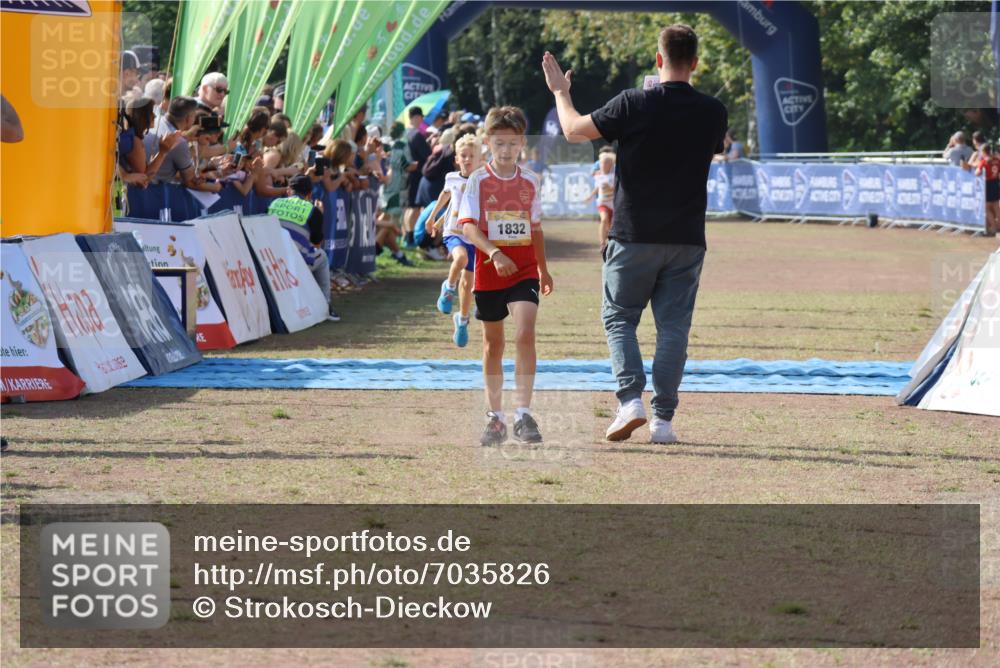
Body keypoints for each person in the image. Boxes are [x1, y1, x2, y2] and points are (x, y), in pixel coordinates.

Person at [542, 23, 727, 445]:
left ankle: (630, 401)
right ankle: (663, 421)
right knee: (673, 328)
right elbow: (712, 145)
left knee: (620, 318)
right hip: (686, 237)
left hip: (633, 234)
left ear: (658, 59)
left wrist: (559, 91)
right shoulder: (713, 111)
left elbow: (573, 130)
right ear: (695, 64)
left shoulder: (633, 103)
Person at [458, 106, 553, 446]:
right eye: (499, 143)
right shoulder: (477, 182)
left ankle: (524, 414)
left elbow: (537, 228)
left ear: (522, 144)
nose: (506, 150)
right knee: (492, 344)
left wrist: (543, 268)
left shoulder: (531, 181)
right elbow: (467, 226)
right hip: (489, 270)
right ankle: (495, 418)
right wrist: (494, 253)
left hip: (524, 270)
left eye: (512, 144)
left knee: (525, 333)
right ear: (488, 143)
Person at [429, 133, 483, 347]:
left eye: (472, 156)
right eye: (464, 155)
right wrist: (434, 217)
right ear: (457, 159)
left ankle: (461, 320)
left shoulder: (482, 179)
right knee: (459, 259)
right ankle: (448, 287)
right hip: (453, 232)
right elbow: (446, 198)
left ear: (479, 159)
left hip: (473, 235)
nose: (467, 159)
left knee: (469, 282)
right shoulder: (451, 178)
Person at [268, 174, 341, 322]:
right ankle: (325, 305)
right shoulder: (312, 210)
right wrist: (320, 214)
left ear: (288, 191)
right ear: (309, 194)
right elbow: (316, 243)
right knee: (322, 257)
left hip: (270, 262)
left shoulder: (274, 203)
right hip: (295, 266)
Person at [378, 123, 417, 267]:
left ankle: (394, 251)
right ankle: (393, 250)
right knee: (393, 219)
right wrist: (416, 165)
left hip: (383, 184)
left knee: (384, 215)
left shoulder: (385, 143)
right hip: (396, 184)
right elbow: (407, 164)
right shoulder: (401, 145)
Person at [404, 106, 432, 246]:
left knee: (410, 208)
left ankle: (407, 236)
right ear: (417, 117)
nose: (422, 120)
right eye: (421, 117)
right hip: (416, 175)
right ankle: (410, 238)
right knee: (414, 208)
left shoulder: (405, 133)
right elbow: (427, 155)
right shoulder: (416, 135)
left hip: (407, 174)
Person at [587, 151, 616, 251]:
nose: (602, 165)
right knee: (604, 219)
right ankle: (602, 243)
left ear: (610, 164)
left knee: (611, 226)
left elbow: (616, 189)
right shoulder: (598, 175)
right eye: (601, 163)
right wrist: (590, 196)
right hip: (602, 202)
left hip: (613, 204)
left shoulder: (614, 176)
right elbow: (597, 187)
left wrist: (610, 188)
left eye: (605, 163)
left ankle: (611, 242)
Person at [975, 144, 1000, 236]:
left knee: (987, 208)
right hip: (996, 183)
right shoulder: (997, 160)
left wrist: (978, 167)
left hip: (988, 185)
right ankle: (998, 227)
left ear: (984, 152)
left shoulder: (984, 161)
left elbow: (977, 173)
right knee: (997, 207)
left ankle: (993, 227)